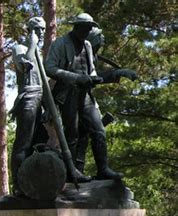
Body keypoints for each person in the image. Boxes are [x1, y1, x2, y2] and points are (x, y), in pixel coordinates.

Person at [45, 13, 123, 181]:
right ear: (77, 27)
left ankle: (103, 169)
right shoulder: (60, 44)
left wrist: (93, 77)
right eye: (86, 28)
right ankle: (72, 172)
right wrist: (76, 78)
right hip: (68, 93)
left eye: (90, 28)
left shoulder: (87, 44)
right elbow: (49, 68)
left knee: (98, 129)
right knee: (71, 133)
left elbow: (91, 69)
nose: (88, 31)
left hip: (86, 95)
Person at [75, 27, 138, 172]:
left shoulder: (93, 56)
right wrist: (117, 73)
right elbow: (94, 78)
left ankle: (91, 170)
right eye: (99, 35)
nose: (102, 38)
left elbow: (96, 77)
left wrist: (119, 73)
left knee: (85, 136)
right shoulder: (80, 55)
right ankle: (83, 171)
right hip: (76, 100)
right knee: (83, 137)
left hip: (86, 99)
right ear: (91, 39)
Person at [9, 16, 48, 195]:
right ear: (30, 30)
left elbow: (44, 82)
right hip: (27, 98)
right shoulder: (20, 48)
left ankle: (34, 181)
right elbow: (26, 67)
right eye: (37, 29)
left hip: (40, 99)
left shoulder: (38, 54)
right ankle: (18, 184)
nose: (41, 33)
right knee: (23, 143)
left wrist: (47, 106)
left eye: (43, 29)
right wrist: (32, 44)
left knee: (41, 141)